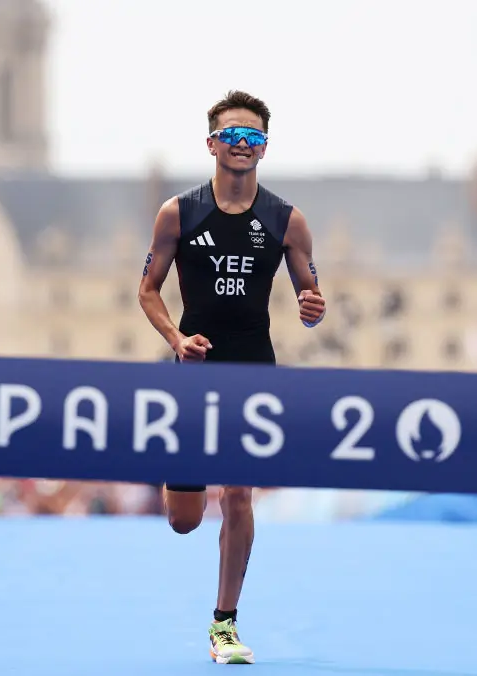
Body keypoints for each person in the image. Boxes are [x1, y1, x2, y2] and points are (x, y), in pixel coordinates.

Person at [137, 90, 327, 665]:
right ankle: (176, 474)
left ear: (264, 148)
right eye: (232, 135)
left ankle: (225, 622)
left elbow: (310, 296)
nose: (242, 145)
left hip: (251, 369)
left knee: (239, 494)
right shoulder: (179, 213)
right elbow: (147, 291)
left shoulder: (287, 221)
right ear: (212, 144)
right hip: (193, 367)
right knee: (184, 520)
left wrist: (312, 307)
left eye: (253, 137)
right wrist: (177, 340)